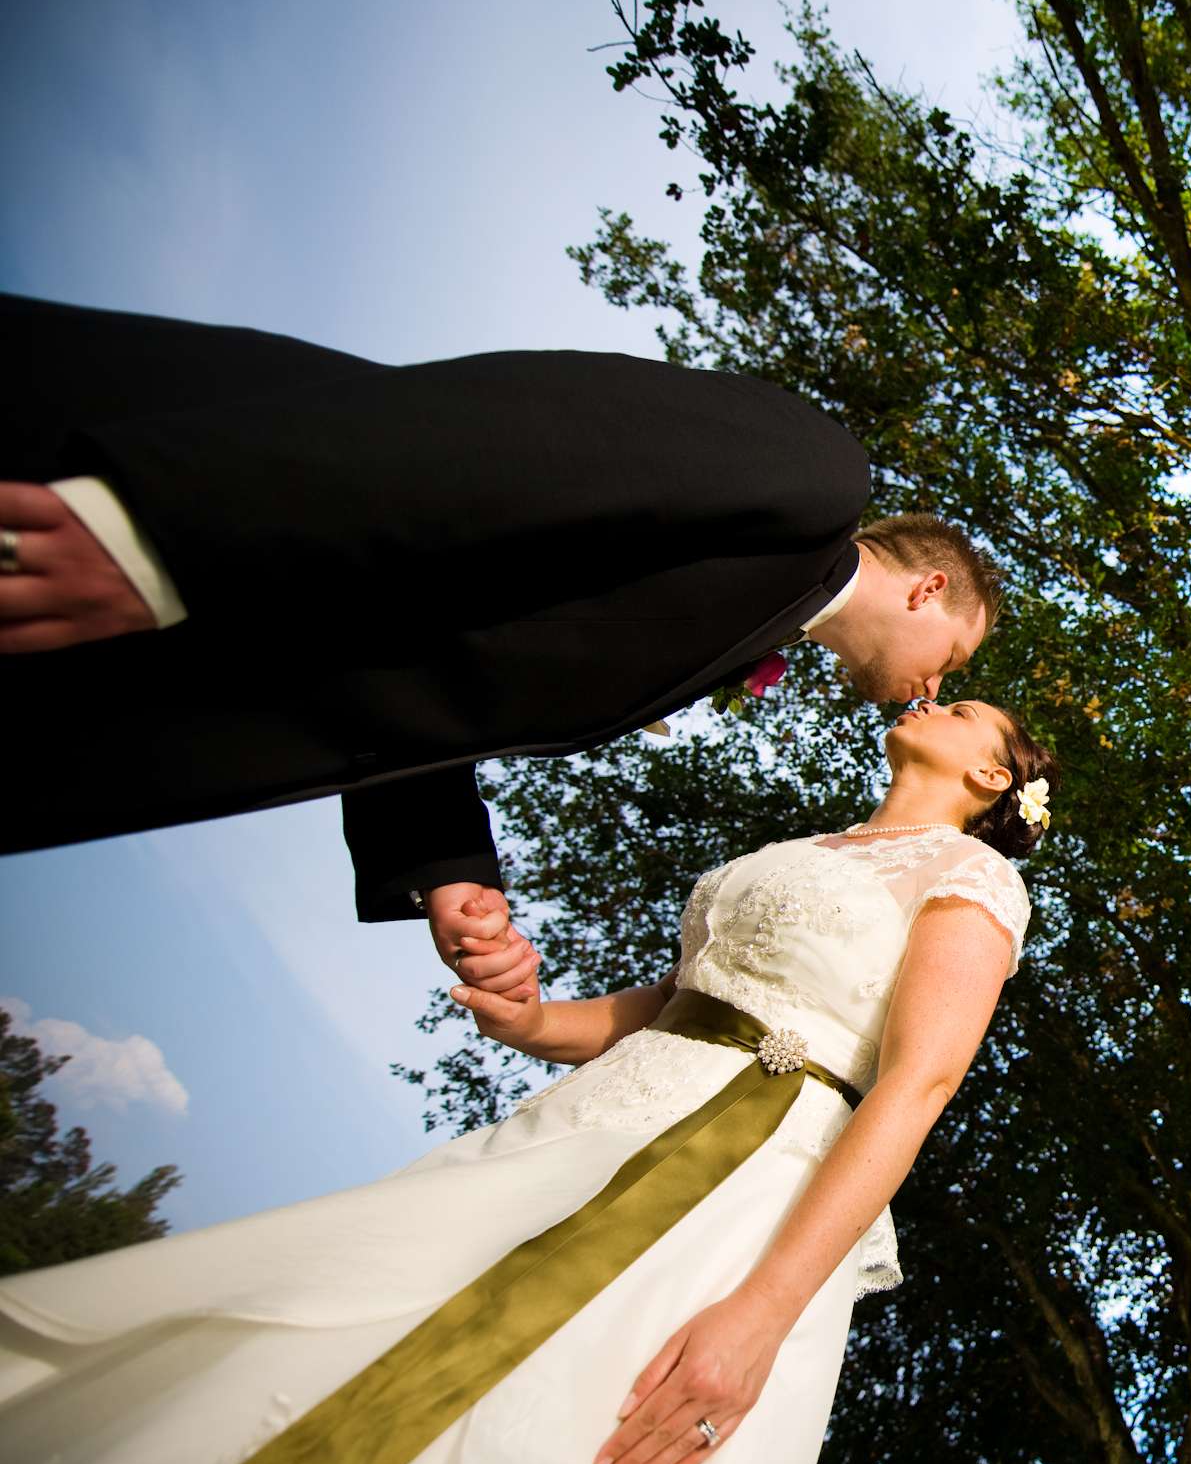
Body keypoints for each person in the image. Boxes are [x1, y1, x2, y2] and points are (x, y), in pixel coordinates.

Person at [0, 697, 1062, 1464]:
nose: (936, 695)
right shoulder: (810, 849)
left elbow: (917, 1081)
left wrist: (761, 1313)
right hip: (595, 1122)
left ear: (990, 782)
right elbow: (677, 1003)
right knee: (382, 1299)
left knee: (551, 1430)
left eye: (968, 709)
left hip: (738, 1183)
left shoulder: (973, 878)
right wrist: (529, 1020)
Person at [0, 292, 1000, 1003]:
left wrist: (445, 862)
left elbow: (429, 648)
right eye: (954, 655)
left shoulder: (744, 635)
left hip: (142, 682)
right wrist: (163, 527)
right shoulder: (818, 474)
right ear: (926, 587)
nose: (936, 684)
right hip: (89, 497)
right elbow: (525, 434)